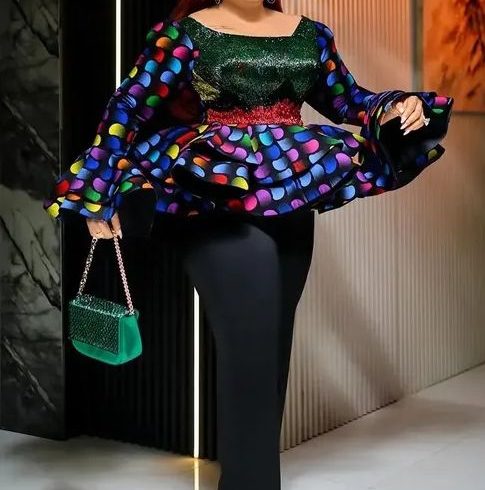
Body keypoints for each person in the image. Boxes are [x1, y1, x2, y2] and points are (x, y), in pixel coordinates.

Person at [43, 1, 454, 489]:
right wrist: (97, 193)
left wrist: (396, 105)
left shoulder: (311, 35)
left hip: (290, 192)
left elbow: (351, 101)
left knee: (271, 344)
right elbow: (125, 110)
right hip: (214, 194)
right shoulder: (182, 35)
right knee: (253, 340)